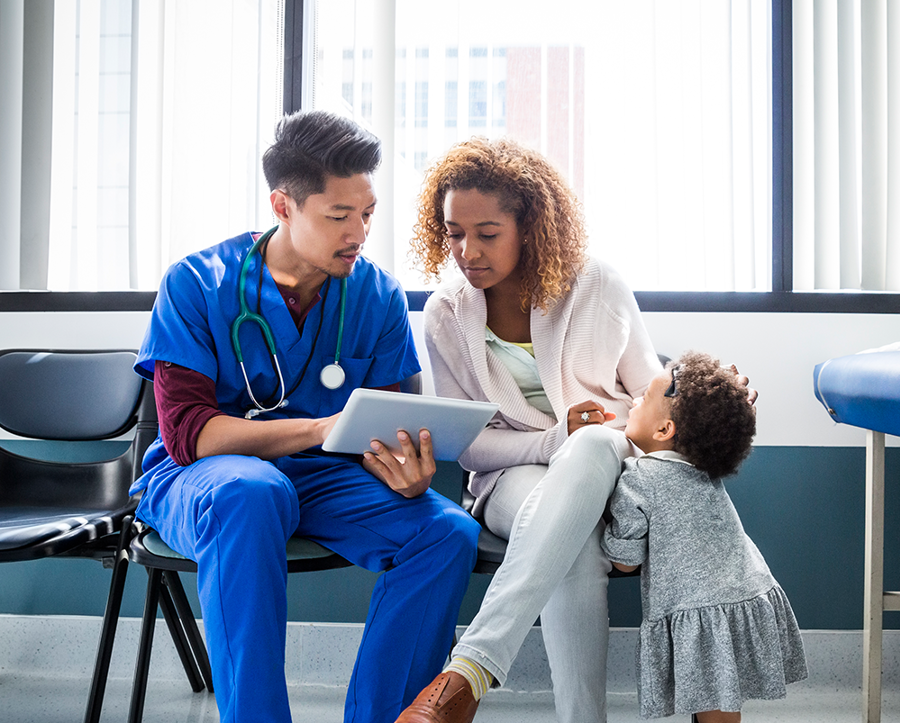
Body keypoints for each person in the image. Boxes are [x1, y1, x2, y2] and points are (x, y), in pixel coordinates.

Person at [130, 109, 480, 723]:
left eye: (367, 214)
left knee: (446, 531)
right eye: (339, 216)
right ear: (283, 206)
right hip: (206, 477)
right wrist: (320, 429)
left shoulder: (377, 293)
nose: (359, 232)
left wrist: (405, 468)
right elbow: (189, 435)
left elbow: (388, 418)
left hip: (324, 476)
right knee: (251, 490)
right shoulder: (196, 282)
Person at [395, 136, 664, 723]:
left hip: (610, 466)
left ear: (530, 226)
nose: (467, 251)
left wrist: (586, 435)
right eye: (453, 233)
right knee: (569, 534)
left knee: (590, 446)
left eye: (486, 233)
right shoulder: (446, 313)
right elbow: (467, 445)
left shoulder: (597, 285)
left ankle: (467, 671)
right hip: (507, 478)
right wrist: (550, 440)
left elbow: (651, 395)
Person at [600, 352, 807, 722]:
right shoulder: (704, 468)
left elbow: (624, 563)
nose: (632, 402)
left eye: (643, 399)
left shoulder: (638, 479)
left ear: (664, 430)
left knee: (712, 702)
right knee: (723, 704)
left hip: (698, 608)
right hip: (744, 592)